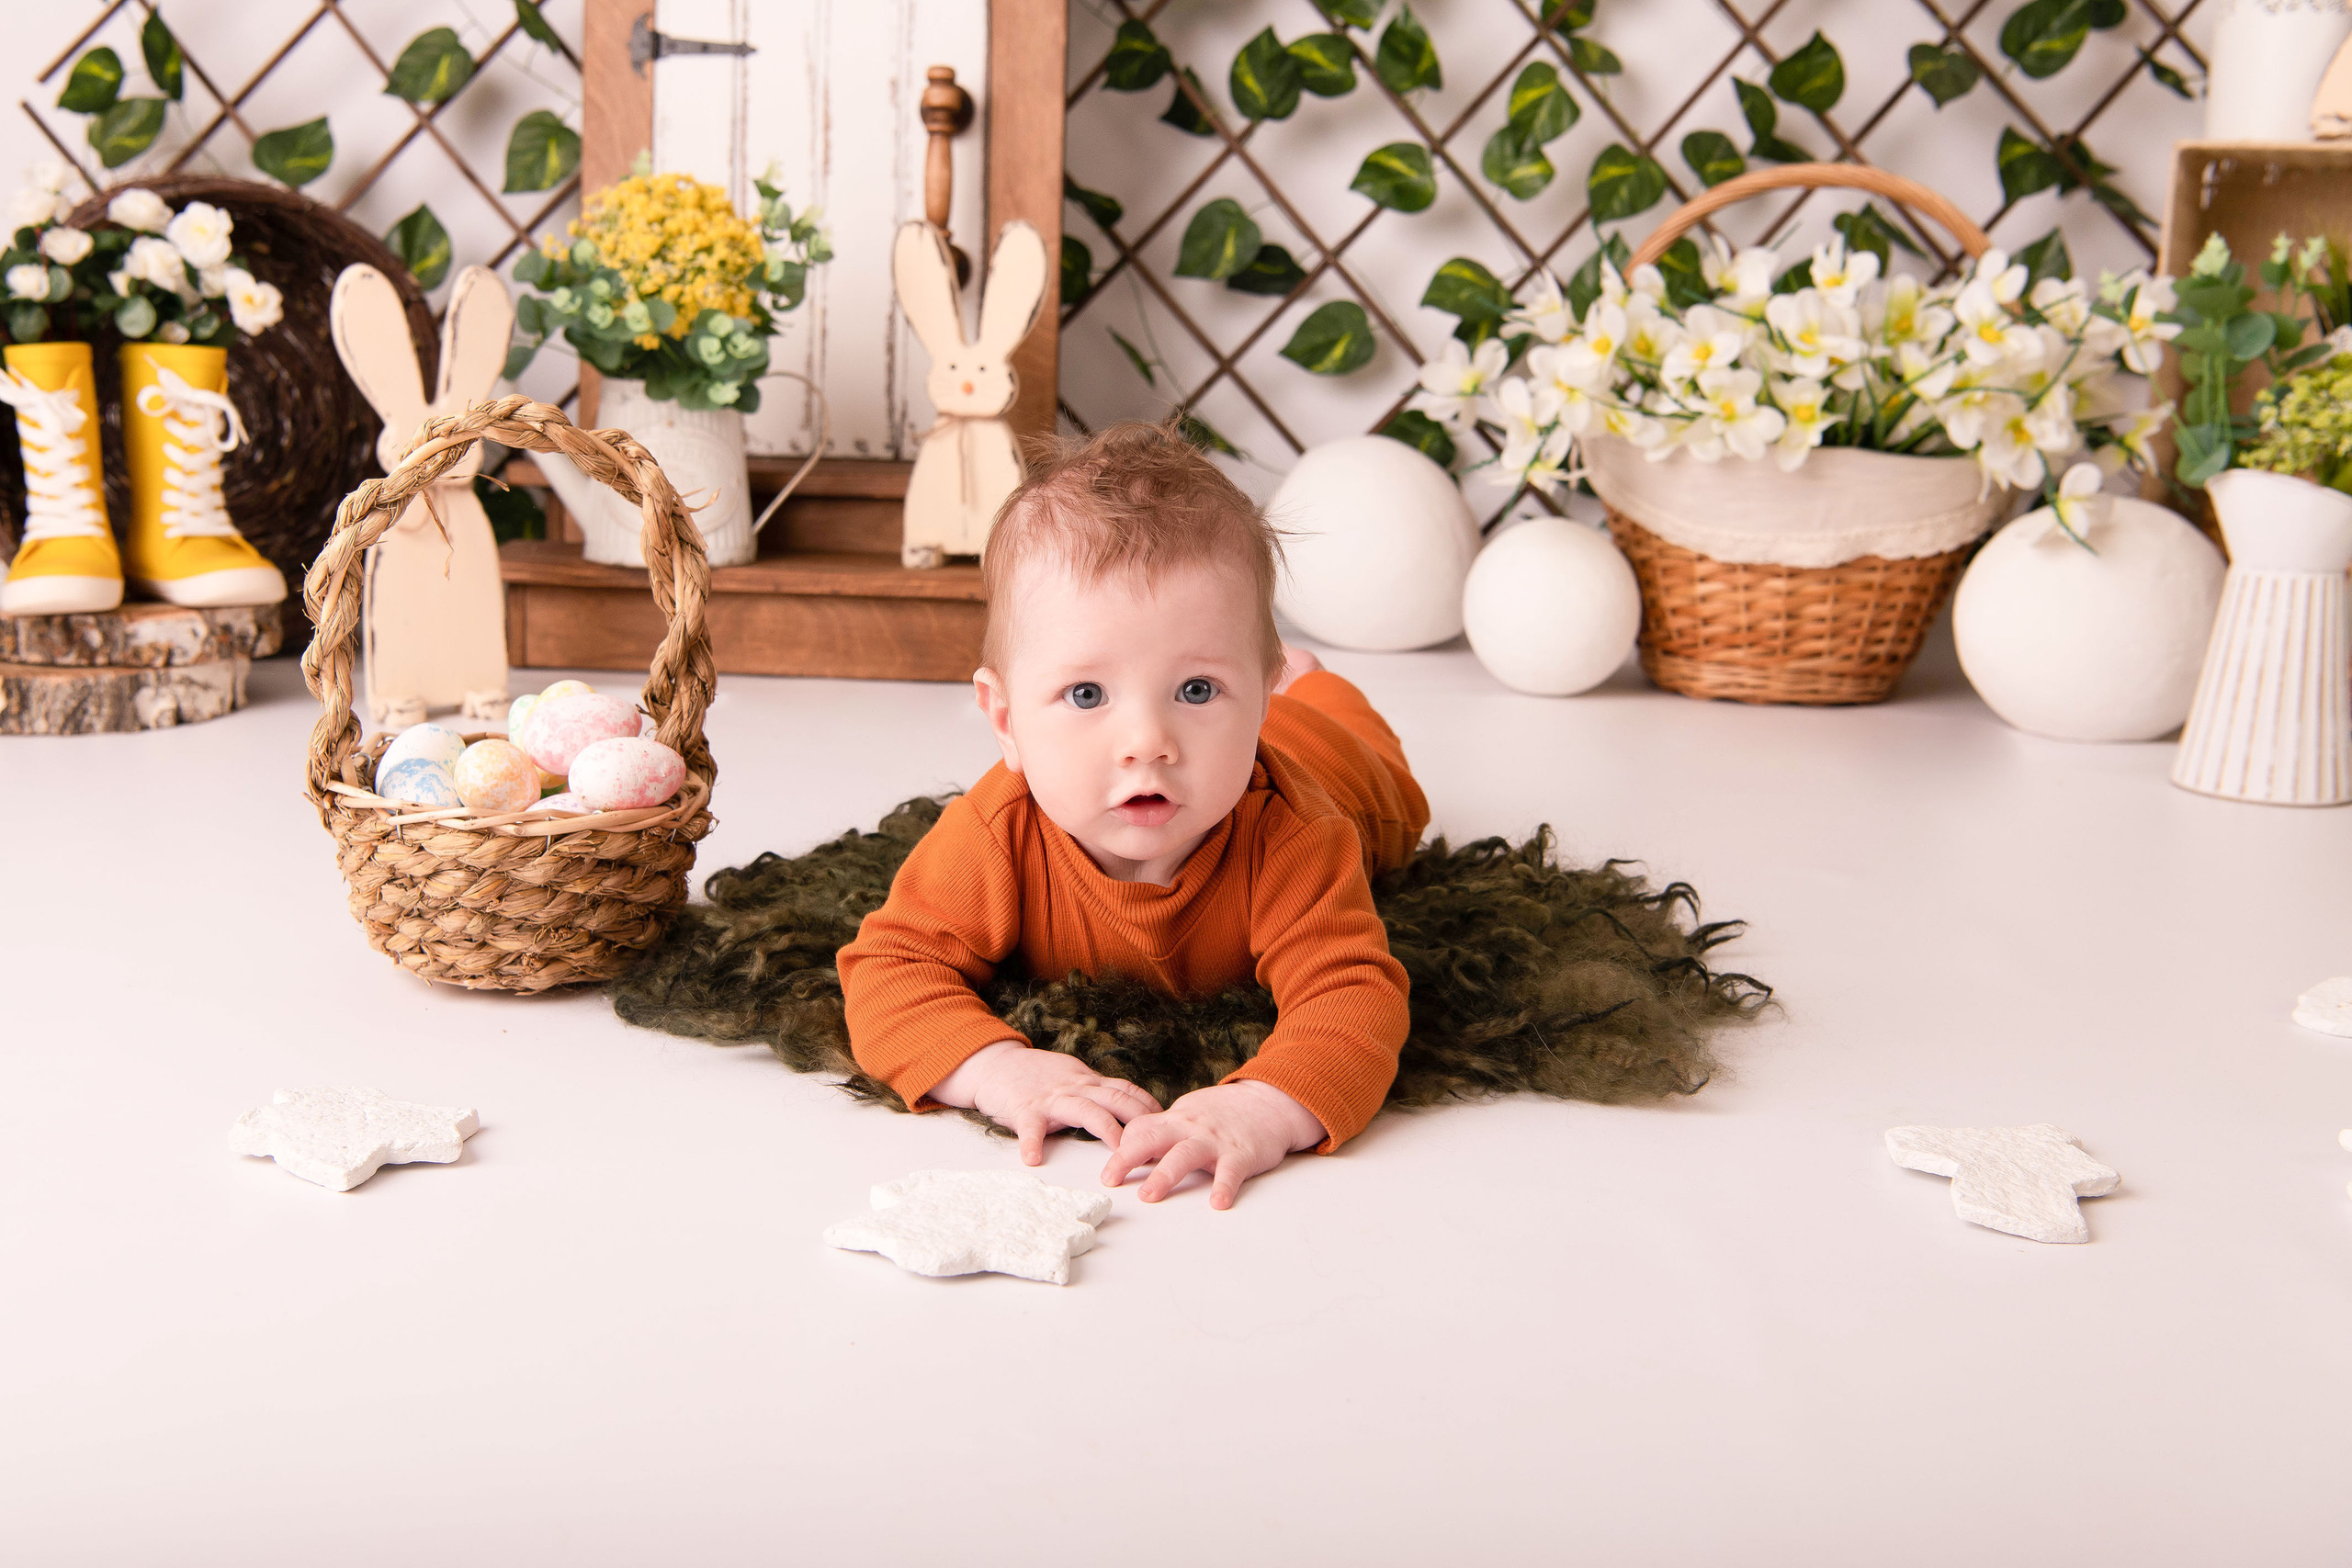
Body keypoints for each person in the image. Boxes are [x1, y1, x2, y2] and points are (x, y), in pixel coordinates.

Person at [836, 421, 1430, 1208]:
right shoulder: (997, 830)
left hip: (1335, 754)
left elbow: (1355, 995)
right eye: (1087, 695)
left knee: (1356, 746)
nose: (1147, 743)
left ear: (1251, 697)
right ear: (1006, 719)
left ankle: (1305, 687)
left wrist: (1264, 1103)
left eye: (1196, 690)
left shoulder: (1298, 834)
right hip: (1260, 707)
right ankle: (1268, 681)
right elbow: (889, 965)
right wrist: (995, 1067)